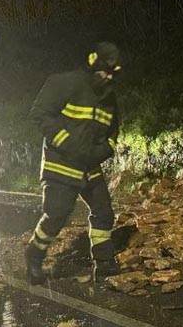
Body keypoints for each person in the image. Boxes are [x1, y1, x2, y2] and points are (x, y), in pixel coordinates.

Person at [24, 42, 122, 285]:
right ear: (91, 64)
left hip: (89, 166)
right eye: (103, 71)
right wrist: (67, 143)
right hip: (61, 164)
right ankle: (34, 255)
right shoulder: (65, 83)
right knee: (56, 214)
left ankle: (104, 262)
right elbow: (39, 114)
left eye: (111, 74)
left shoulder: (109, 99)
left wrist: (103, 151)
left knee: (103, 211)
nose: (107, 77)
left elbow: (113, 133)